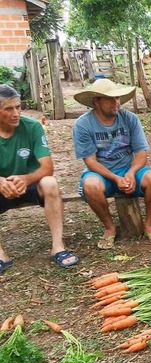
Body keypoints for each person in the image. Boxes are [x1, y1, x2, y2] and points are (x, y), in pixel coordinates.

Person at [72, 79, 151, 249]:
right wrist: (115, 178)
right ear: (96, 101)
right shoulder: (83, 124)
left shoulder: (130, 118)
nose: (116, 103)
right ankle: (109, 227)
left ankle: (149, 224)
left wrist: (130, 173)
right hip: (102, 173)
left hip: (129, 168)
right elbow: (90, 161)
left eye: (118, 98)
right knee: (90, 185)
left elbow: (141, 153)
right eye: (110, 99)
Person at [0, 84, 80, 272]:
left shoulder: (32, 126)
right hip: (1, 187)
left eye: (18, 107)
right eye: (8, 109)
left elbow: (47, 167)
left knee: (50, 182)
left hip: (29, 184)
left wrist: (26, 179)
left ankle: (58, 247)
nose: (16, 113)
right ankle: (1, 256)